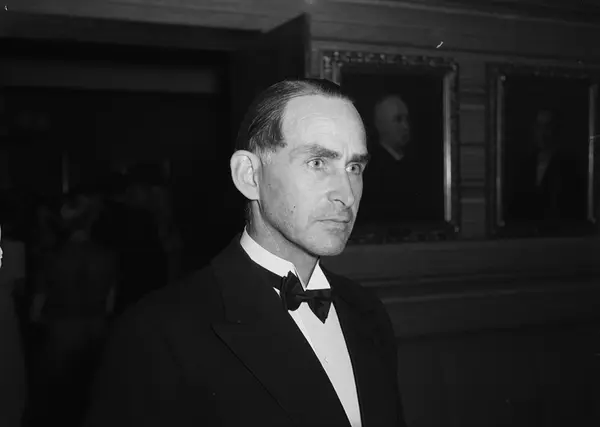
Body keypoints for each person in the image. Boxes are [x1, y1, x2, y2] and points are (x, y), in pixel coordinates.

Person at [84, 79, 406, 427]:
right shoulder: (157, 332)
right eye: (317, 162)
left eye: (354, 168)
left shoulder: (368, 312)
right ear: (249, 175)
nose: (347, 194)